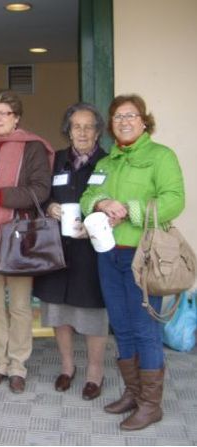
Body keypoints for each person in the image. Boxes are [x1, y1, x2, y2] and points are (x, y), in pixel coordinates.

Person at [80, 94, 185, 430]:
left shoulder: (160, 156)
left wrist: (132, 209)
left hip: (144, 255)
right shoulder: (106, 163)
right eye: (118, 117)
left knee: (145, 329)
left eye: (131, 116)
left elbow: (174, 200)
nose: (124, 121)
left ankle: (151, 405)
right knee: (122, 327)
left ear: (144, 121)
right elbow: (85, 198)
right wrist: (102, 202)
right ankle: (134, 392)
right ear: (112, 125)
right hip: (108, 255)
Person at [0, 89, 53, 393]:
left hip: (19, 238)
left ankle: (18, 365)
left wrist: (0, 194)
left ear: (16, 117)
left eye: (3, 113)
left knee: (19, 307)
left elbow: (40, 190)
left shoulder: (32, 148)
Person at [32, 102, 108, 400]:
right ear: (68, 130)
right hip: (57, 249)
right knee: (58, 311)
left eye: (89, 126)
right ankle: (67, 367)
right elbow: (42, 192)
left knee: (92, 313)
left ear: (98, 131)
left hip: (92, 250)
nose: (83, 132)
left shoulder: (108, 162)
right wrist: (49, 205)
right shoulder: (57, 160)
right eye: (77, 126)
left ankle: (94, 372)